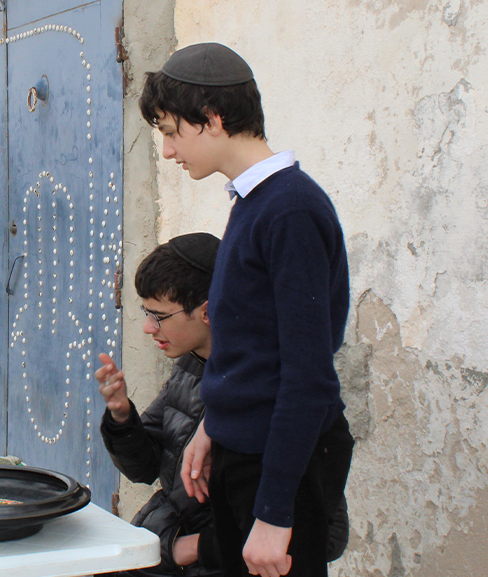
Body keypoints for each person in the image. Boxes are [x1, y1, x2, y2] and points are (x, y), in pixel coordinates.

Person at [137, 43, 353, 577]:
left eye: (169, 131)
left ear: (210, 119)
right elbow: (253, 351)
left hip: (281, 469)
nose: (167, 150)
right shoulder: (252, 202)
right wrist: (214, 428)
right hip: (242, 452)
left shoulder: (290, 209)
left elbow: (308, 377)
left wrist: (276, 515)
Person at [96, 234, 349, 577]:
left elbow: (324, 534)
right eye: (145, 312)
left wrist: (189, 548)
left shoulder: (279, 395)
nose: (146, 328)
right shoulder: (189, 367)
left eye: (159, 315)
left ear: (208, 311)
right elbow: (146, 467)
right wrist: (122, 416)